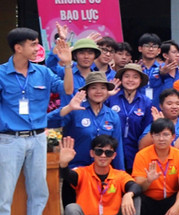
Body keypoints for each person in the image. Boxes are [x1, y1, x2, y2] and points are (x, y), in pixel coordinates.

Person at [0, 27, 73, 215]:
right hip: (9, 139)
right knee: (4, 195)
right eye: (32, 44)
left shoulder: (42, 72)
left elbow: (67, 89)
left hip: (38, 138)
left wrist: (67, 65)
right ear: (18, 47)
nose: (37, 48)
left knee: (39, 192)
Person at [57, 134, 140, 215]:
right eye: (99, 151)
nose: (103, 156)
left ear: (114, 156)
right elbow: (68, 176)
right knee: (71, 207)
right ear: (92, 153)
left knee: (135, 197)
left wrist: (128, 194)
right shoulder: (82, 172)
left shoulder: (119, 175)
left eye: (108, 153)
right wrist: (63, 164)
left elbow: (135, 186)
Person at [51, 73, 124, 206]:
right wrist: (68, 108)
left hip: (102, 175)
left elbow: (117, 148)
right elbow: (48, 121)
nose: (98, 91)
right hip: (76, 173)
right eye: (93, 87)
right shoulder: (75, 111)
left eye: (102, 88)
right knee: (73, 211)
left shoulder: (113, 116)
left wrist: (121, 175)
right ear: (86, 91)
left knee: (100, 214)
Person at [107, 65, 154, 163]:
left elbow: (146, 130)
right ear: (121, 79)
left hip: (135, 152)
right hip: (111, 152)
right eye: (127, 76)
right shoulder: (111, 98)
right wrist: (106, 95)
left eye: (135, 77)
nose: (130, 80)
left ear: (140, 81)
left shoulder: (146, 102)